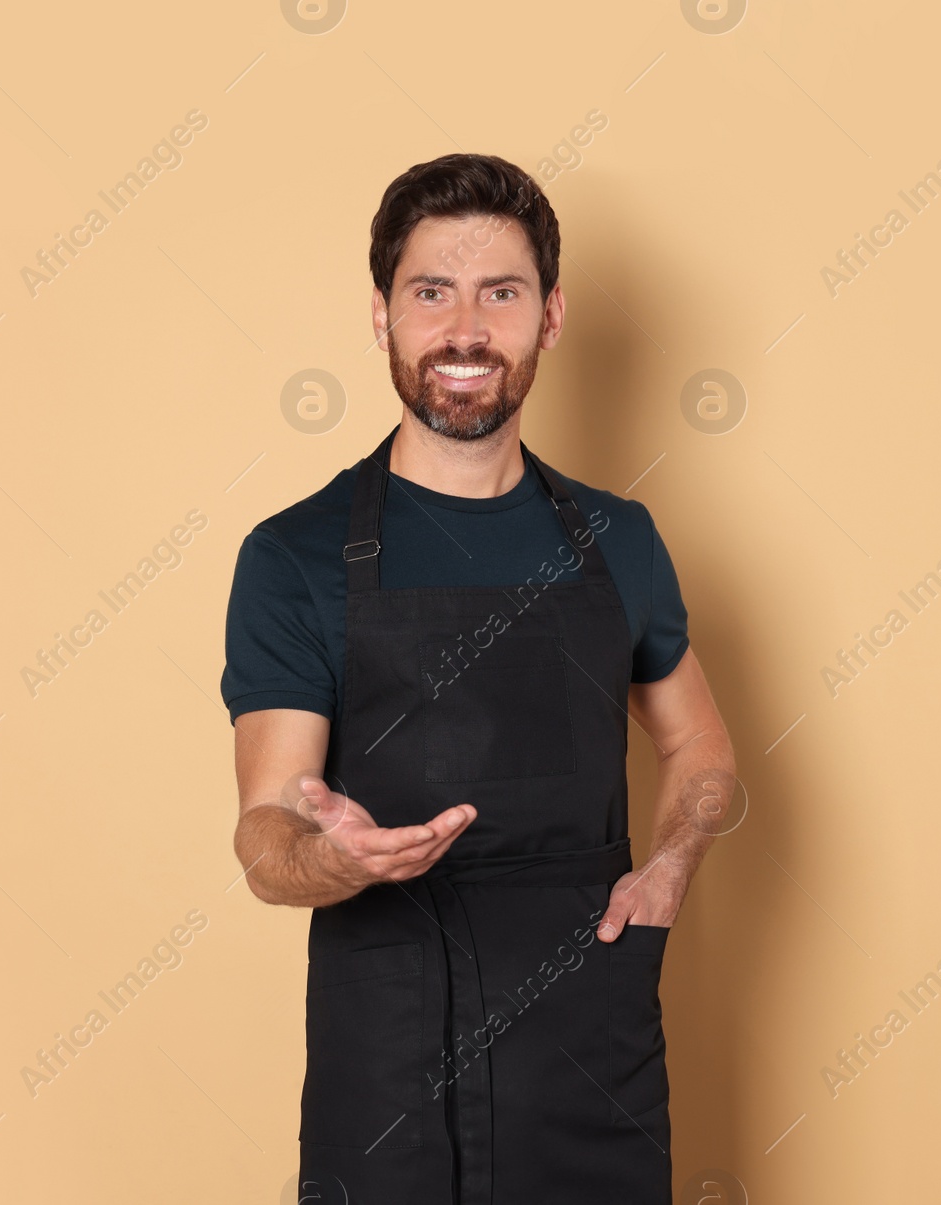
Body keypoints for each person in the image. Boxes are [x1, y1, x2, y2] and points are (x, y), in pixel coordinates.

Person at [221, 152, 737, 1205]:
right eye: (431, 292)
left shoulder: (619, 539)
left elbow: (702, 748)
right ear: (382, 317)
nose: (464, 328)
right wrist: (339, 856)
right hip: (391, 1039)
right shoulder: (294, 555)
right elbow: (266, 836)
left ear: (549, 318)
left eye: (499, 292)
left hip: (591, 1044)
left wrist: (674, 858)